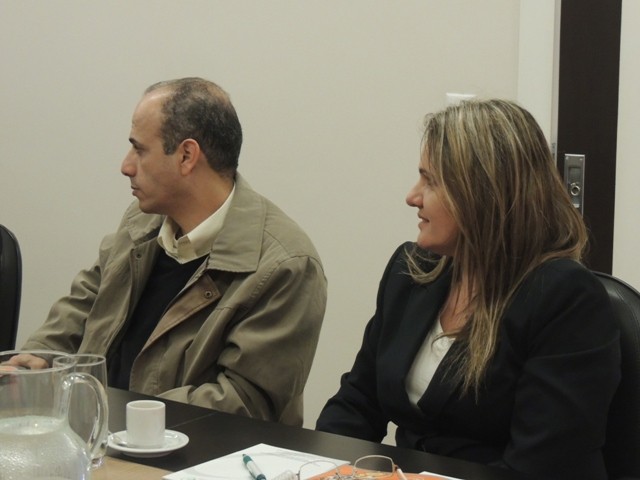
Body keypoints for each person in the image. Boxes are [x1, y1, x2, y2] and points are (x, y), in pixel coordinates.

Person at [316, 99, 620, 479]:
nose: (412, 197)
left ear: (482, 194)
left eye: (430, 181)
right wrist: (325, 469)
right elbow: (358, 401)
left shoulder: (565, 299)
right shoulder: (411, 270)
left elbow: (540, 466)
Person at [12, 77, 327, 426]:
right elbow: (86, 301)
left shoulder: (285, 265)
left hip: (190, 451)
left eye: (139, 150)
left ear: (186, 156)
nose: (126, 166)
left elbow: (244, 402)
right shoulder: (142, 222)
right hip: (103, 434)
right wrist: (41, 356)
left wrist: (116, 412)